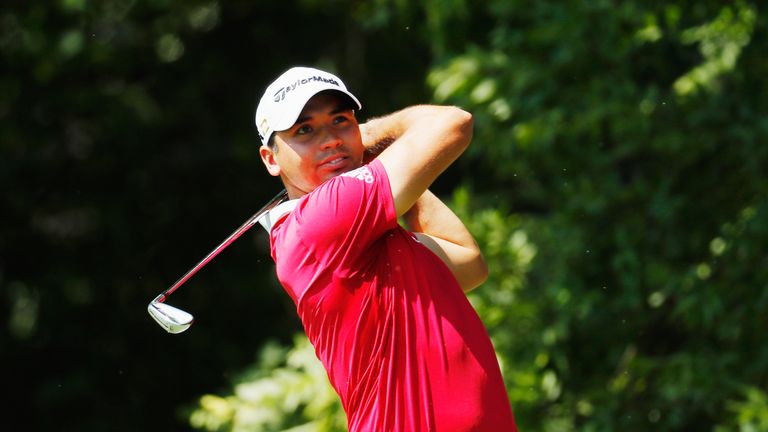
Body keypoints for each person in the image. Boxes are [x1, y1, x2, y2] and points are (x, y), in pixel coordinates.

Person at [254, 66, 517, 431]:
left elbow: (468, 263)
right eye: (305, 130)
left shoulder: (367, 236)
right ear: (270, 158)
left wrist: (373, 157)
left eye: (341, 120)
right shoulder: (321, 219)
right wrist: (372, 136)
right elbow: (453, 123)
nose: (330, 139)